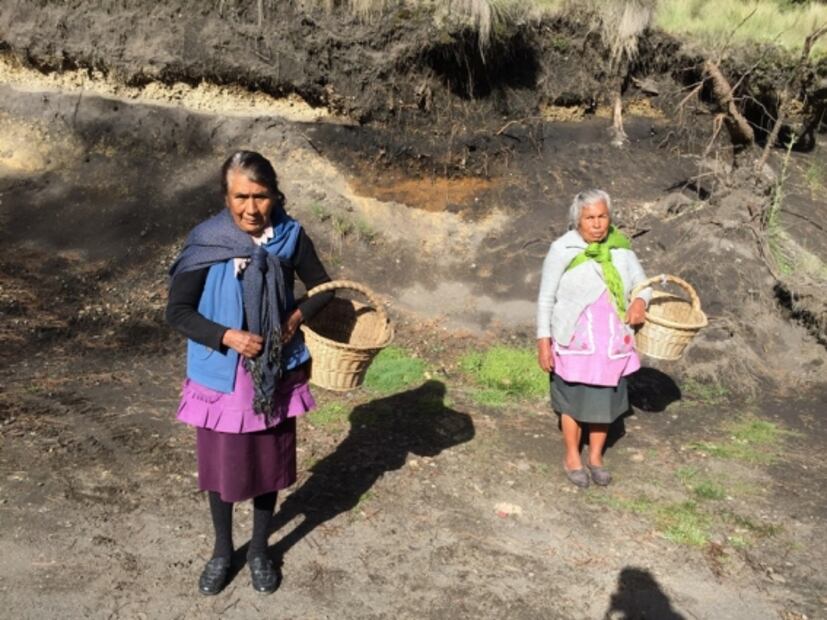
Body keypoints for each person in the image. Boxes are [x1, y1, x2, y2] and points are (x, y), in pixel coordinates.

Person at [166, 150, 333, 595]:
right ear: (226, 196)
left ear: (275, 195)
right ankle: (223, 551)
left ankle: (259, 550)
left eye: (261, 197)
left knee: (268, 463)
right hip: (221, 374)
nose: (251, 208)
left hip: (273, 373)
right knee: (221, 467)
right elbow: (178, 312)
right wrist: (228, 336)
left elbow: (323, 289)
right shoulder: (207, 240)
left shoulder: (291, 236)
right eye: (241, 196)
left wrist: (294, 318)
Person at [536, 189, 651, 488]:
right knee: (572, 401)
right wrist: (543, 342)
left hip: (611, 343)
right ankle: (572, 455)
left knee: (605, 404)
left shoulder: (622, 250)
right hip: (574, 341)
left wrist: (640, 302)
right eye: (590, 218)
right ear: (578, 220)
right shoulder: (563, 249)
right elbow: (546, 299)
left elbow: (643, 284)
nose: (597, 224)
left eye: (602, 216)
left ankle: (596, 457)